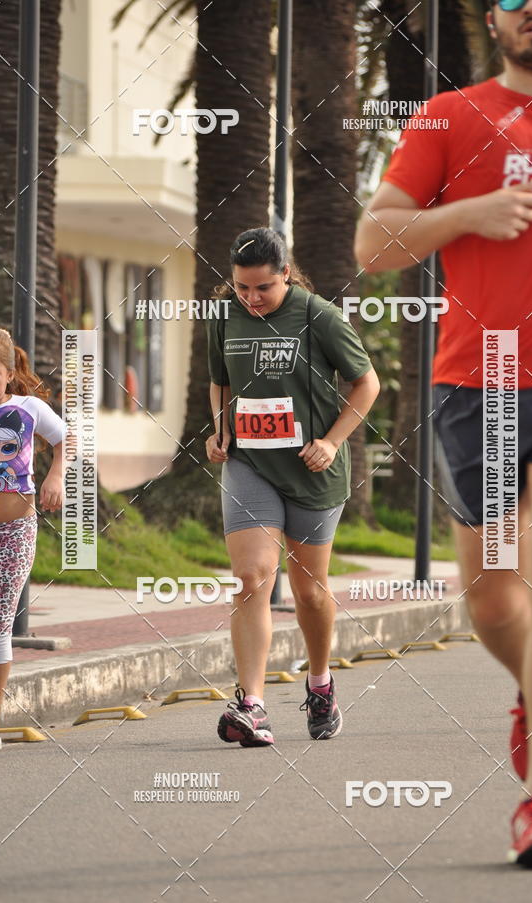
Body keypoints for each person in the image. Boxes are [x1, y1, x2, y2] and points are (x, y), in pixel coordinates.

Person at [355, 0, 532, 869]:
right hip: (482, 381)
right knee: (493, 597)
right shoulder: (451, 118)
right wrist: (467, 213)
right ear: (494, 23)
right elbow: (373, 241)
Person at [205, 227, 379, 746]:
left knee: (309, 591)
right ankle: (252, 705)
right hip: (250, 465)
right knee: (252, 576)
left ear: (286, 274)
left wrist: (331, 441)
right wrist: (220, 428)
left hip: (312, 470)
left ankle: (320, 683)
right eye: (241, 288)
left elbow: (365, 382)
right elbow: (220, 380)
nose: (252, 299)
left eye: (263, 288)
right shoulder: (225, 317)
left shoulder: (317, 315)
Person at [0, 328, 64, 751]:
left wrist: (56, 476)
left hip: (12, 531)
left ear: (9, 373)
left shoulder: (29, 408)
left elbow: (67, 437)